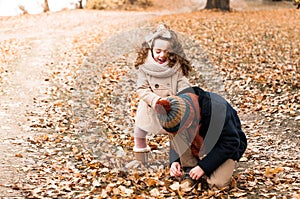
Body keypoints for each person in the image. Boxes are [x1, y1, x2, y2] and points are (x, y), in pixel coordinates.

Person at [155, 86, 247, 189]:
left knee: (217, 184)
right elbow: (174, 136)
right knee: (177, 133)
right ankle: (189, 169)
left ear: (191, 117)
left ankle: (200, 169)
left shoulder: (216, 109)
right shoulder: (174, 106)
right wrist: (175, 160)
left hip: (226, 145)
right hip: (200, 139)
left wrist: (203, 167)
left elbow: (231, 143)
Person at [133, 24, 193, 162]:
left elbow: (183, 83)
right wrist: (155, 101)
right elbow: (142, 88)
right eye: (158, 51)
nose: (162, 55)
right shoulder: (145, 67)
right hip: (150, 105)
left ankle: (183, 161)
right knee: (140, 131)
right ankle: (141, 160)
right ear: (151, 50)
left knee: (177, 132)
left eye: (167, 52)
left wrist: (183, 97)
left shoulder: (176, 67)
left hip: (171, 106)